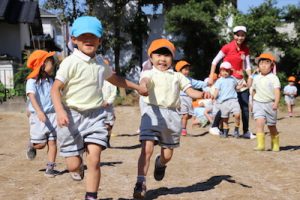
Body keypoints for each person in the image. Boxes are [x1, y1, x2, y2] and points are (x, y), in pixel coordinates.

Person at [50, 16, 145, 200]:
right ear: (74, 40)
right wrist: (60, 111)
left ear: (100, 40)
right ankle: (76, 167)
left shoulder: (101, 63)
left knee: (94, 158)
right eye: (83, 36)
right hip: (71, 116)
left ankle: (91, 196)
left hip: (95, 116)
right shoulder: (69, 62)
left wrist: (136, 87)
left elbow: (115, 79)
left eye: (93, 36)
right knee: (73, 165)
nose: (88, 40)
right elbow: (55, 90)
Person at [133, 38, 205, 199]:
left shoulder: (177, 76)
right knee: (147, 149)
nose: (162, 59)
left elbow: (191, 91)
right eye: (158, 54)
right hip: (151, 113)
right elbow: (145, 81)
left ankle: (161, 164)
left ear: (172, 58)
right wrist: (143, 86)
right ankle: (140, 183)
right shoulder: (148, 73)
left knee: (167, 155)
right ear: (150, 58)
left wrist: (203, 94)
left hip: (172, 117)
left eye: (166, 55)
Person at [209, 25, 255, 139]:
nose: (240, 37)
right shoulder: (227, 47)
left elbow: (247, 66)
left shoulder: (245, 49)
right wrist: (211, 76)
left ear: (245, 36)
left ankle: (245, 131)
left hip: (240, 81)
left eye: (242, 35)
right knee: (225, 104)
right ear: (234, 35)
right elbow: (215, 61)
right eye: (237, 35)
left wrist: (249, 77)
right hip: (228, 81)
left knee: (244, 105)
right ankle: (214, 126)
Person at [25, 50, 58, 177]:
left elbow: (55, 96)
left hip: (52, 115)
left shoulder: (51, 81)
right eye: (51, 63)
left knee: (53, 142)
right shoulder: (32, 81)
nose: (53, 65)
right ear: (43, 65)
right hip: (38, 116)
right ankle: (32, 145)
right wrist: (39, 111)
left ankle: (50, 168)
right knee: (41, 145)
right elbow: (31, 96)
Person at [251, 53, 281, 151]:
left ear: (272, 66)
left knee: (271, 126)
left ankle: (275, 143)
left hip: (270, 104)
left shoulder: (274, 78)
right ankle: (261, 145)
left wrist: (276, 102)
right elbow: (254, 90)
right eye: (261, 63)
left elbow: (277, 91)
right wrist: (253, 101)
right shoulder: (256, 78)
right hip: (258, 103)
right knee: (259, 123)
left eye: (266, 63)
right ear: (258, 66)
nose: (263, 65)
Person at [175, 60, 208, 136]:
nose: (187, 71)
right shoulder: (176, 78)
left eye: (188, 69)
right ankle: (183, 130)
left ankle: (180, 123)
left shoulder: (190, 79)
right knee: (185, 115)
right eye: (185, 69)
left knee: (189, 115)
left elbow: (198, 83)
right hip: (181, 99)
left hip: (189, 99)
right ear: (179, 70)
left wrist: (206, 84)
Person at [213, 61, 241, 138]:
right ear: (220, 71)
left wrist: (241, 86)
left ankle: (236, 129)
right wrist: (213, 97)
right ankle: (225, 131)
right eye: (223, 70)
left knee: (237, 114)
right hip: (223, 102)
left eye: (227, 70)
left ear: (230, 71)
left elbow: (236, 87)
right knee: (225, 118)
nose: (225, 72)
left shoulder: (233, 79)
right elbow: (216, 91)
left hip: (233, 100)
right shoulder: (219, 81)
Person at [102, 80, 117, 147]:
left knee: (109, 125)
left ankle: (107, 141)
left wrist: (108, 102)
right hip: (97, 105)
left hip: (108, 106)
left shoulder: (112, 82)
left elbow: (113, 94)